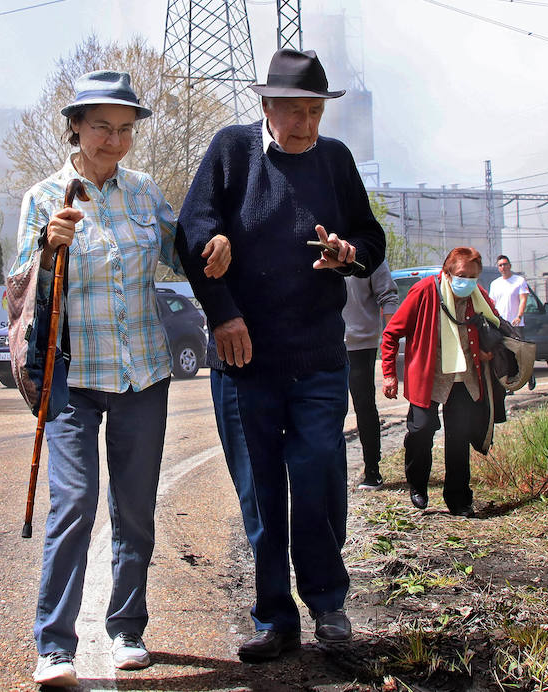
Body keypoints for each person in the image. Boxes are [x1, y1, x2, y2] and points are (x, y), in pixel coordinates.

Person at [13, 71, 232, 687]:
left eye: (125, 129)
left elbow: (179, 250)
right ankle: (54, 644)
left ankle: (126, 628)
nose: (114, 139)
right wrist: (46, 248)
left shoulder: (143, 193)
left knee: (134, 508)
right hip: (71, 376)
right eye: (102, 127)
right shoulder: (43, 198)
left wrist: (212, 245)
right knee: (76, 501)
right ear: (75, 126)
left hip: (142, 371)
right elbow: (17, 293)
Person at [176, 48, 386, 663]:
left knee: (318, 475)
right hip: (245, 364)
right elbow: (190, 230)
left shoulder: (336, 161)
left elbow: (371, 238)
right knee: (261, 492)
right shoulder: (231, 152)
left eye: (314, 111)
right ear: (266, 106)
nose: (305, 123)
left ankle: (328, 602)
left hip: (319, 357)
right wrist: (222, 310)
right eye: (292, 111)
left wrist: (350, 253)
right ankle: (274, 618)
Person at [381, 246, 500, 517]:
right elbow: (391, 333)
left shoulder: (478, 296)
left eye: (472, 276)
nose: (466, 281)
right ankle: (418, 485)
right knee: (421, 432)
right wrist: (390, 373)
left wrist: (488, 348)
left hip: (465, 380)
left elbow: (495, 327)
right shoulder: (424, 291)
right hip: (430, 378)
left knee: (459, 440)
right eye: (461, 274)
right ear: (447, 271)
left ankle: (459, 500)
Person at [344, 260, 400, 489]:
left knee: (364, 406)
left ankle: (372, 471)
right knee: (324, 410)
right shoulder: (316, 246)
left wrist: (391, 341)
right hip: (323, 343)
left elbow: (388, 296)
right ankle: (327, 474)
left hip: (360, 344)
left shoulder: (368, 252)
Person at [488, 255, 528, 327]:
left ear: (510, 266)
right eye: (500, 265)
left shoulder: (520, 281)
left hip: (515, 323)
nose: (503, 267)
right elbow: (492, 303)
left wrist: (519, 317)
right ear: (498, 268)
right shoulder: (494, 284)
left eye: (505, 264)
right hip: (501, 324)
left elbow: (523, 300)